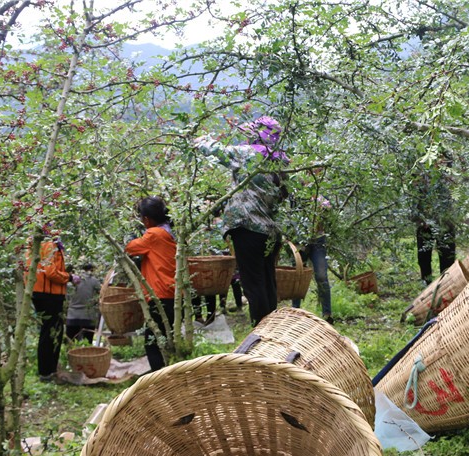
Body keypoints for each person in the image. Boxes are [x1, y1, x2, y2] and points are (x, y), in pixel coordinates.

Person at [195, 116, 289, 326]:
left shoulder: (250, 154)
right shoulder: (281, 161)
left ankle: (261, 333)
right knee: (267, 282)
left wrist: (201, 140)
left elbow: (219, 152)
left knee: (253, 284)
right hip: (270, 232)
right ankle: (271, 329)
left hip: (248, 228)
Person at [125, 196, 176, 372]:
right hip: (172, 292)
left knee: (152, 341)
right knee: (166, 336)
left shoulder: (154, 234)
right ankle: (167, 372)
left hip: (159, 292)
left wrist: (130, 236)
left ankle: (159, 377)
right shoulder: (169, 232)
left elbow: (131, 247)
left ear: (146, 219)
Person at [26, 235, 80, 382]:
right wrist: (69, 277)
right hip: (49, 294)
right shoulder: (50, 245)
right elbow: (50, 272)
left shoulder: (34, 243)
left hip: (39, 292)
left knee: (49, 331)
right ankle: (47, 372)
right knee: (52, 332)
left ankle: (48, 370)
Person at [412, 158, 456, 285]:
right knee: (424, 256)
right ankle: (426, 285)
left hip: (445, 222)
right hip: (424, 222)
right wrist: (420, 218)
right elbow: (414, 195)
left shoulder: (447, 174)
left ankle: (446, 285)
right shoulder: (420, 171)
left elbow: (452, 194)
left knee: (447, 256)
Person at [291, 194, 333, 324]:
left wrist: (321, 203)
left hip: (318, 241)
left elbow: (329, 211)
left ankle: (327, 314)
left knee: (321, 275)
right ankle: (295, 312)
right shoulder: (295, 193)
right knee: (298, 274)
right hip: (300, 240)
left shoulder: (320, 192)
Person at [66, 262, 101, 344]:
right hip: (88, 315)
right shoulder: (94, 281)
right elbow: (101, 293)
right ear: (91, 270)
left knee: (71, 342)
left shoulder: (71, 281)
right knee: (88, 342)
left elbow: (67, 296)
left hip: (72, 316)